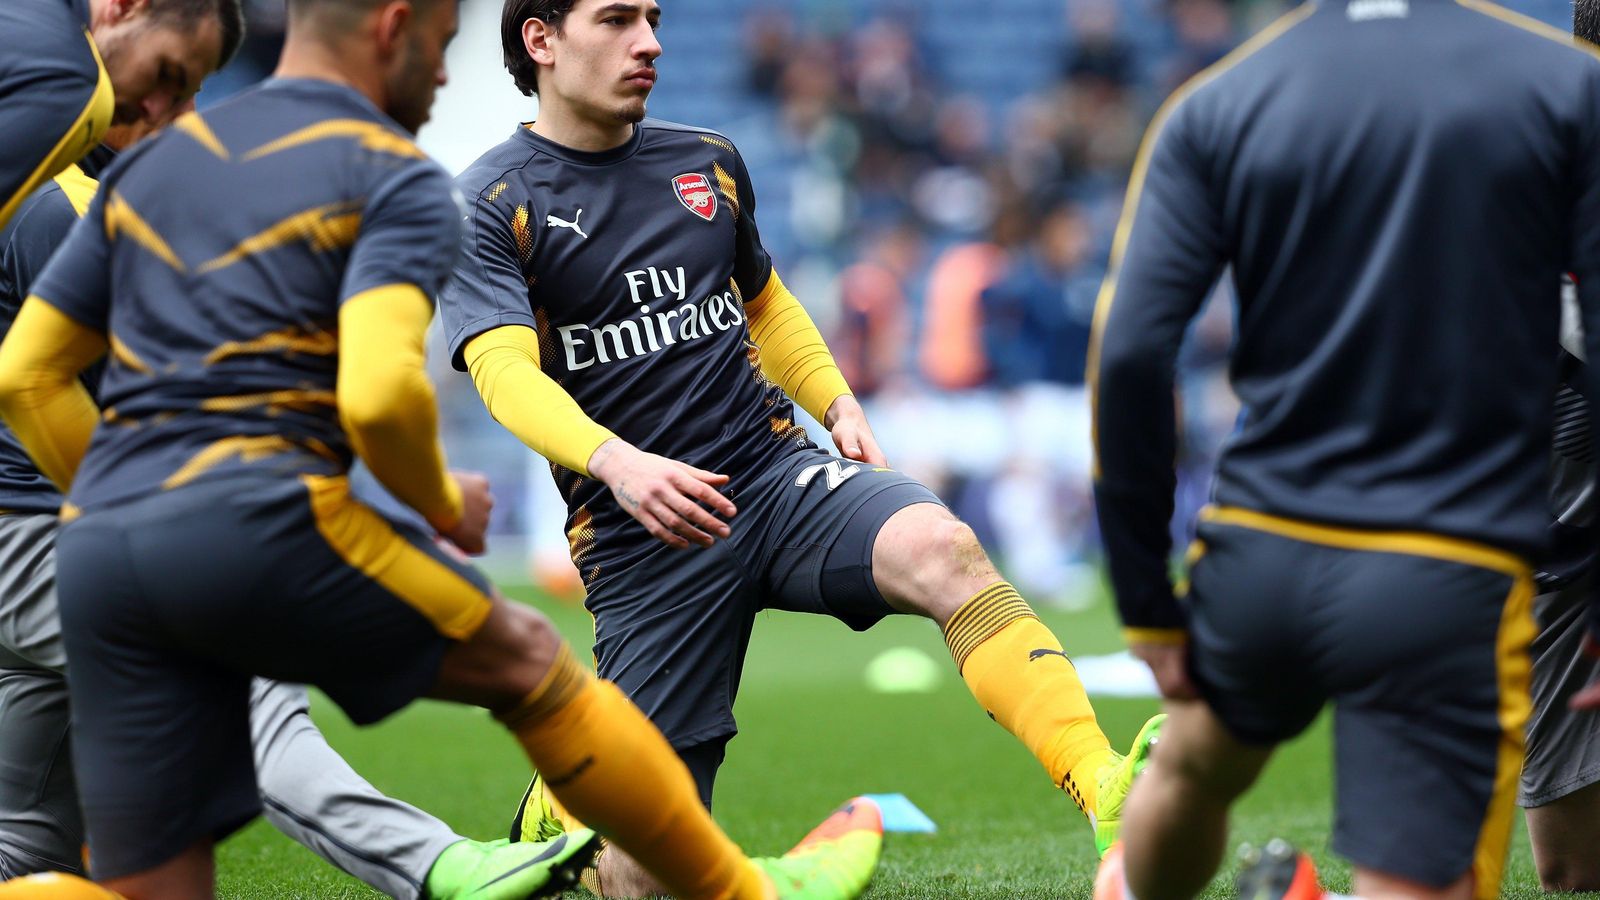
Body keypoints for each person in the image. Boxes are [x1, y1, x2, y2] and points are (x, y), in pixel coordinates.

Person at [0, 0, 884, 896]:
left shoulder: (152, 168)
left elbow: (25, 377)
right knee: (538, 673)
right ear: (394, 29)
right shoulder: (397, 180)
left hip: (100, 563)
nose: (449, 72)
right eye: (440, 44)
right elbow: (381, 397)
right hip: (253, 525)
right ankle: (740, 890)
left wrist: (114, 505)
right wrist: (436, 502)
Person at [440, 0, 1163, 894]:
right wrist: (618, 463)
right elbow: (505, 373)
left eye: (655, 19)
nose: (650, 42)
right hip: (646, 537)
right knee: (642, 877)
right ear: (540, 40)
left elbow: (765, 301)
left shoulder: (705, 161)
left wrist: (836, 401)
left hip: (774, 473)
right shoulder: (490, 201)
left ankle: (1106, 791)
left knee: (943, 545)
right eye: (617, 19)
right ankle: (563, 815)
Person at [0, 120, 610, 900]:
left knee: (26, 837)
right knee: (246, 685)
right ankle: (443, 867)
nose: (188, 108)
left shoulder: (72, 198)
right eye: (178, 81)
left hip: (30, 551)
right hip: (51, 541)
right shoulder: (69, 210)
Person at [1088, 1, 1600, 898]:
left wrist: (1146, 604)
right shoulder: (1566, 83)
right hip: (1444, 568)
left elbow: (1130, 353)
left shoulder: (1216, 100)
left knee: (1192, 770)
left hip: (1258, 552)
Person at [0, 0, 245, 232]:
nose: (156, 111)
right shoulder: (79, 90)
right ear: (125, 6)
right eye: (164, 73)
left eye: (179, 98)